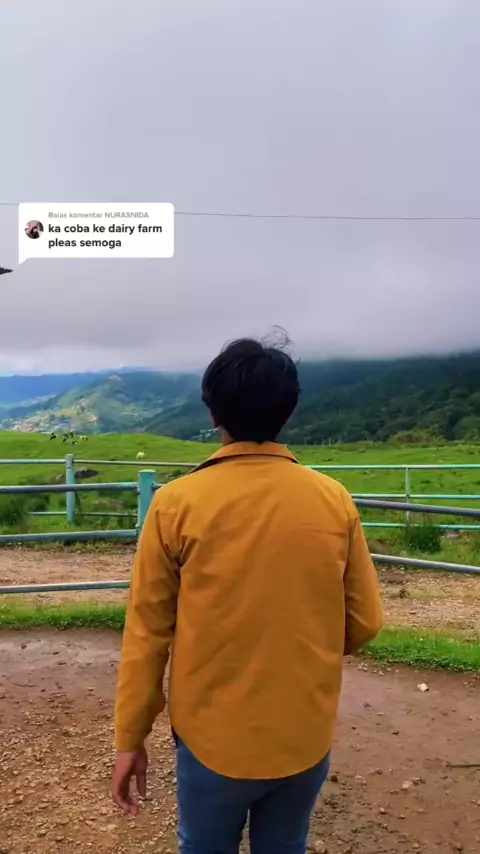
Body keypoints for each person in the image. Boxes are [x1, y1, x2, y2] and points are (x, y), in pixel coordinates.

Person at [112, 337, 383, 854]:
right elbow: (365, 621)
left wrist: (131, 737)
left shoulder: (175, 505)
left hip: (211, 738)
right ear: (290, 410)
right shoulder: (334, 500)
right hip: (304, 733)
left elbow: (147, 637)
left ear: (213, 411)